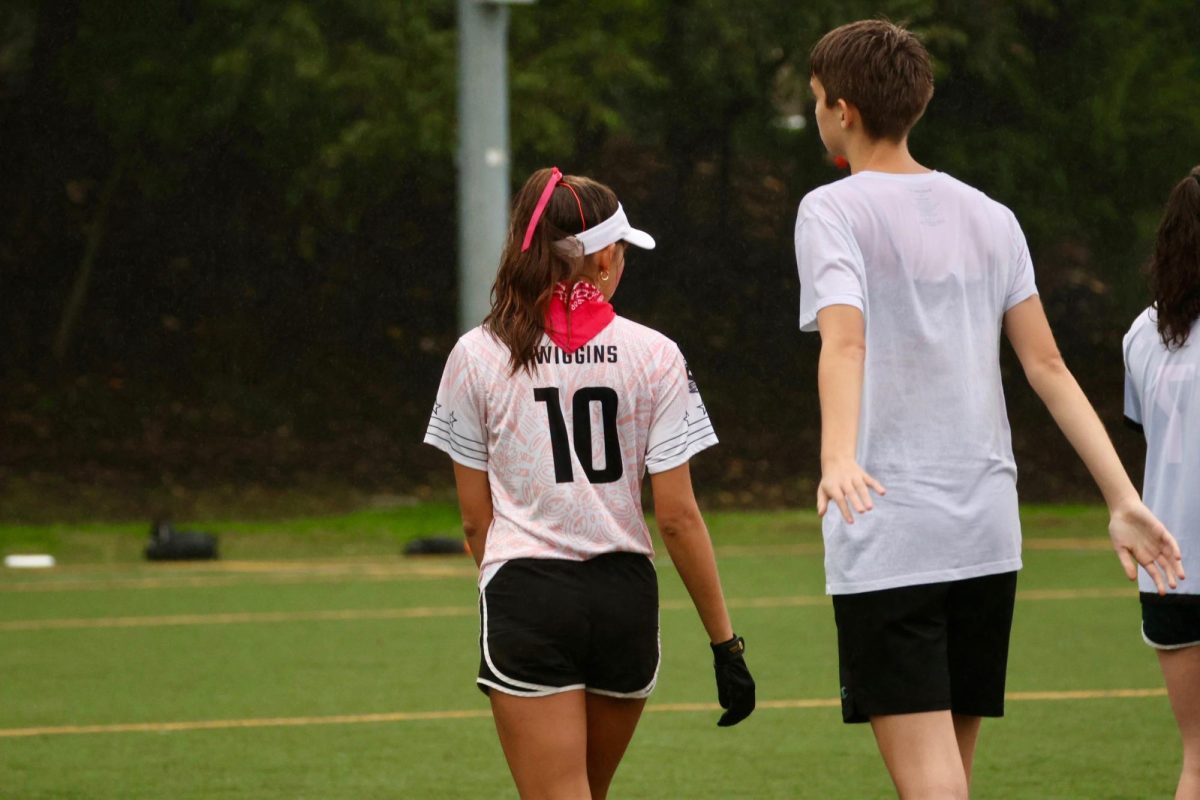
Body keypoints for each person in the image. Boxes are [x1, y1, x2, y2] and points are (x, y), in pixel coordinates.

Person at [793, 20, 1185, 800]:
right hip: (984, 535)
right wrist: (1122, 497)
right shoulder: (992, 215)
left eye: (812, 102)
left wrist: (838, 457)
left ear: (841, 110)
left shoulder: (830, 209)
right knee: (949, 778)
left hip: (891, 530)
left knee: (933, 785)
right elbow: (1048, 367)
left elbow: (844, 344)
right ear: (922, 100)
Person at [424, 167, 755, 799]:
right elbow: (679, 517)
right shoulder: (656, 353)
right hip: (623, 600)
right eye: (622, 250)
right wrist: (725, 645)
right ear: (602, 258)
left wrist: (516, 594)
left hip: (527, 590)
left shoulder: (476, 353)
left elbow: (474, 519)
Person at [1123, 165, 1200, 800]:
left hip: (1171, 574)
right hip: (1173, 568)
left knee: (1197, 763)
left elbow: (1149, 434)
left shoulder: (1142, 333)